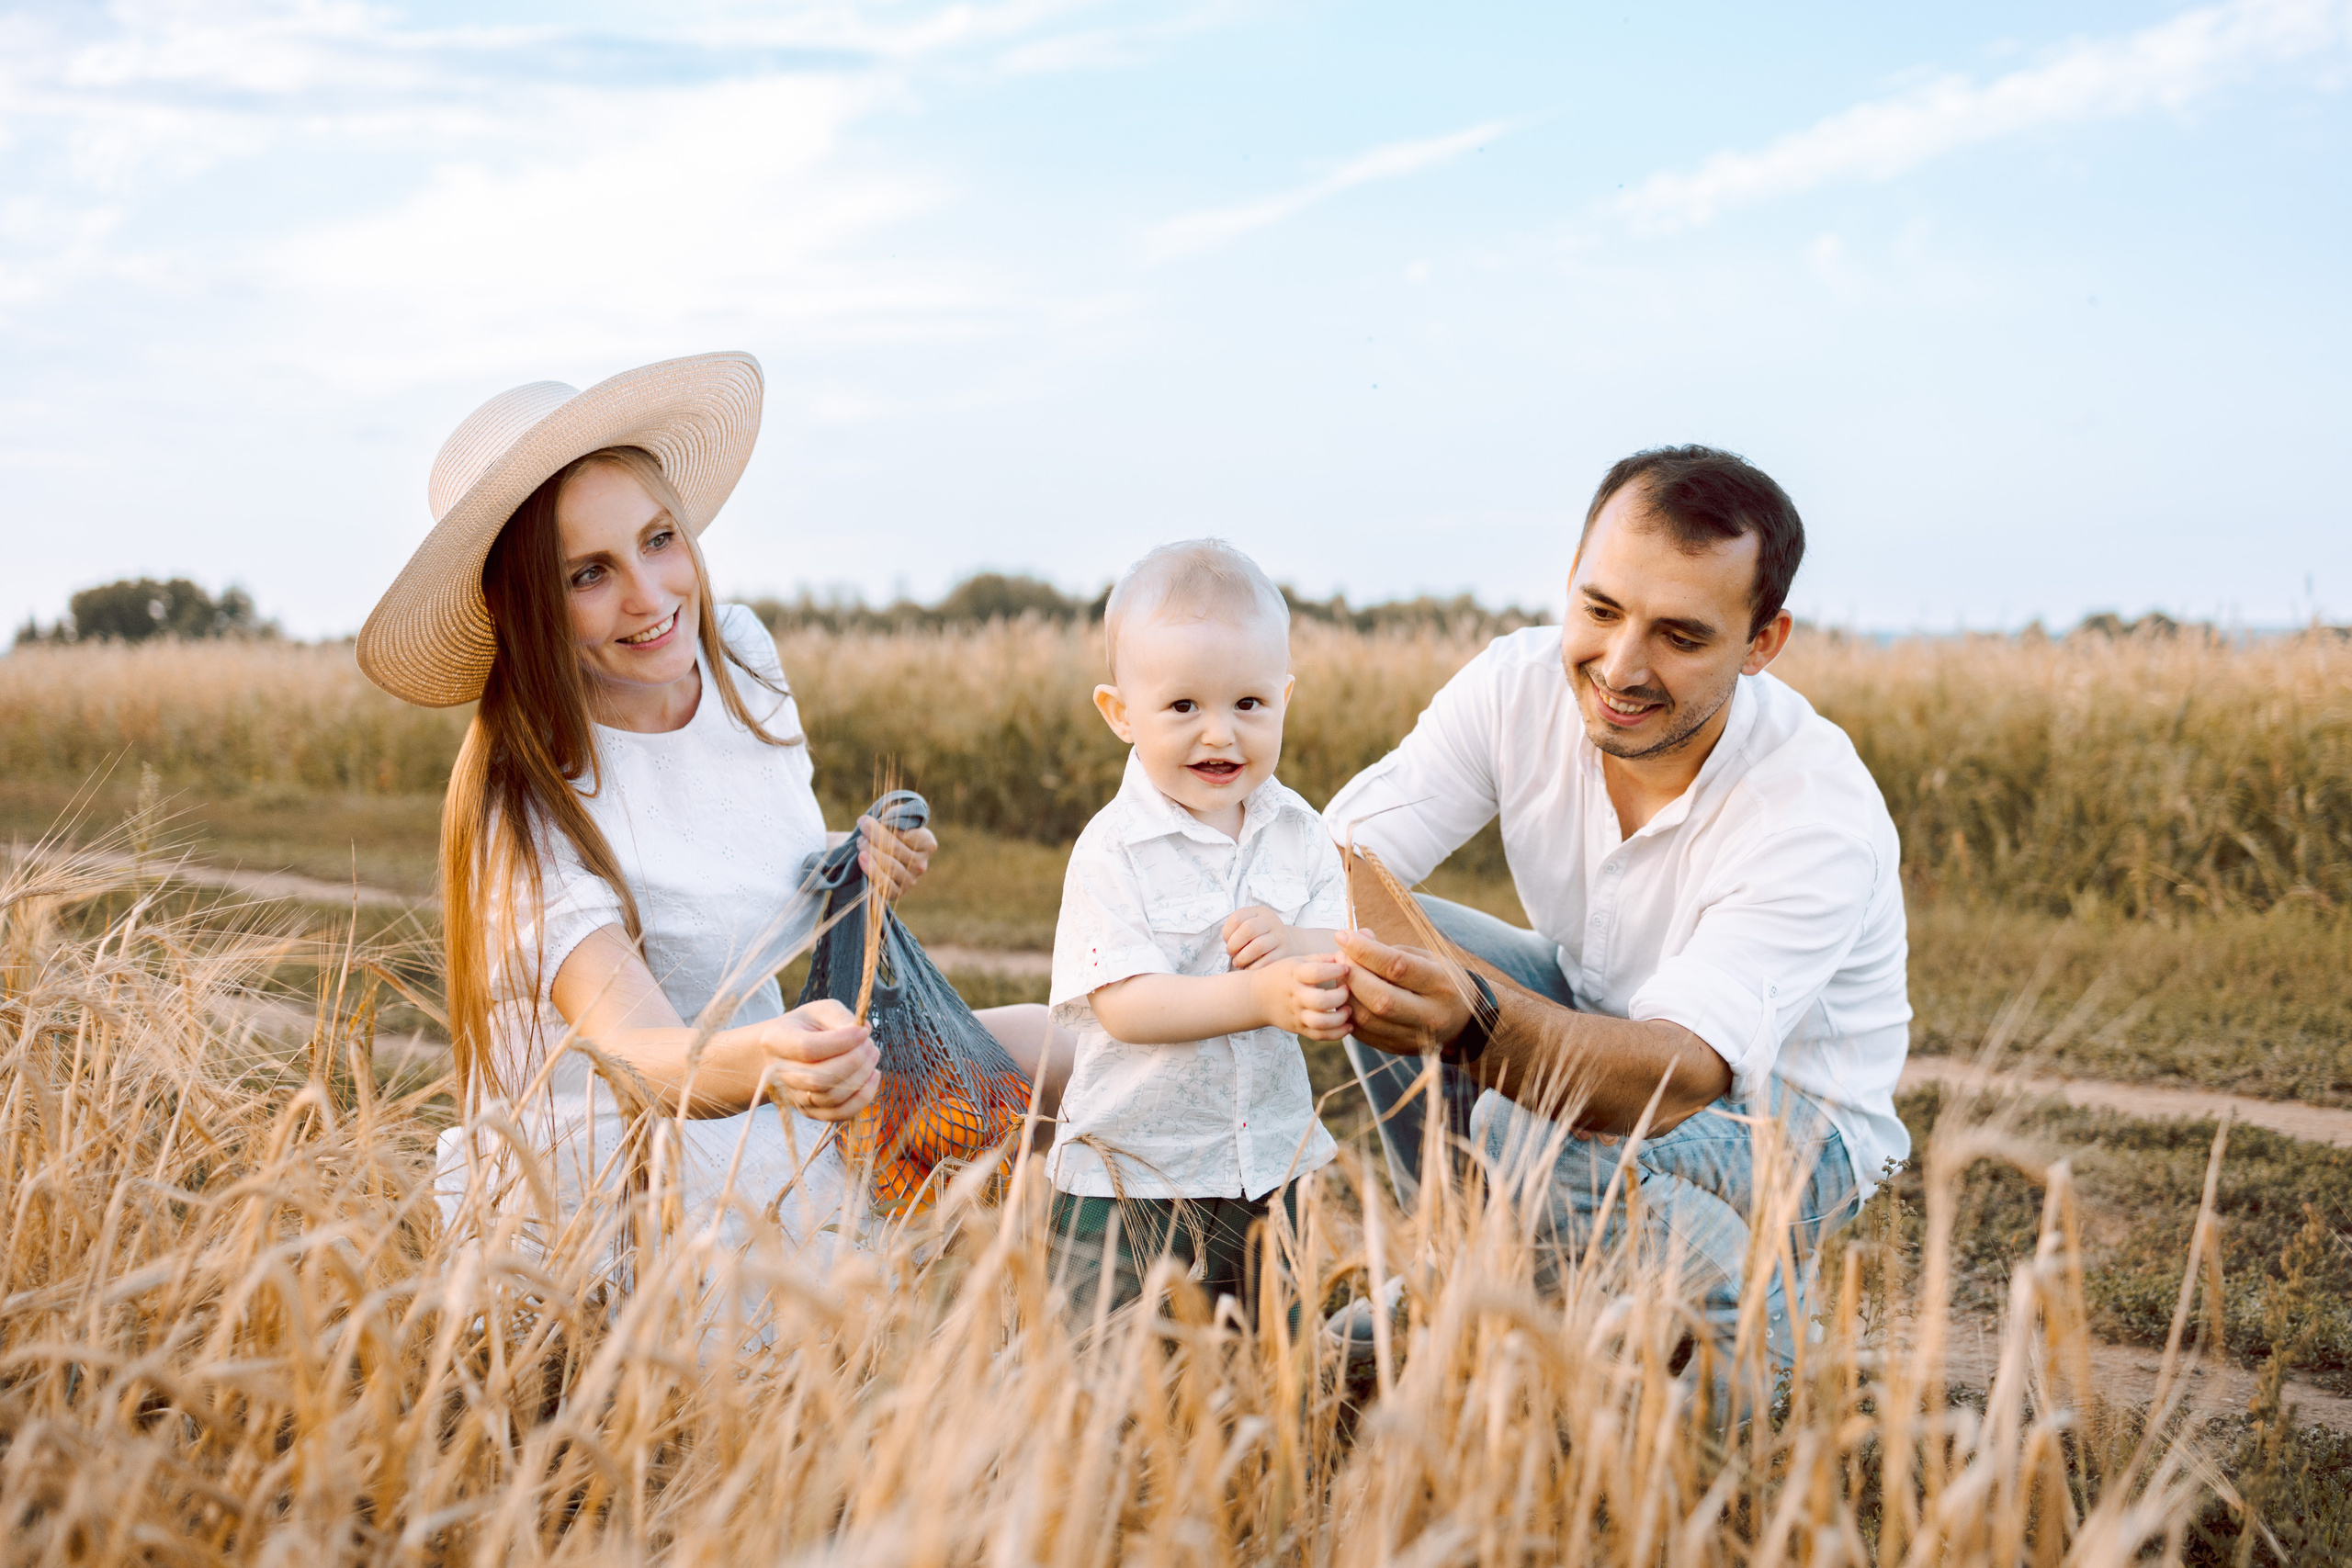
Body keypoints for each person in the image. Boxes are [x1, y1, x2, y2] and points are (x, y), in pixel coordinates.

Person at [356, 352, 1072, 1264]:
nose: (652, 597)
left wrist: (845, 862)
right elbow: (638, 1054)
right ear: (525, 604)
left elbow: (726, 864)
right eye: (588, 575)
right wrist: (775, 1056)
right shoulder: (527, 804)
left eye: (659, 539)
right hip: (624, 1184)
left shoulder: (739, 658)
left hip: (787, 1090)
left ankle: (1158, 1347)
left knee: (1091, 1051)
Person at [1324, 446, 1910, 1368]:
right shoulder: (1516, 686)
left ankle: (1750, 1360)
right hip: (1596, 1017)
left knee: (1532, 1125)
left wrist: (1475, 1023)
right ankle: (1476, 1270)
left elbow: (1674, 1074)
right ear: (1570, 581)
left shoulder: (1811, 810)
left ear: (1762, 643)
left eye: (1680, 636)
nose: (1620, 666)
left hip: (1793, 1129)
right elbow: (1328, 867)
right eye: (1600, 610)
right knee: (1360, 936)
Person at [1044, 540, 1355, 1321]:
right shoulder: (1112, 849)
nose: (1220, 734)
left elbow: (1346, 945)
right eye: (1184, 707)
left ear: (1284, 697)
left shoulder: (1301, 832)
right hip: (1134, 1179)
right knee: (1114, 1375)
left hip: (1268, 1169)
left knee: (1269, 1375)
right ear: (1121, 713)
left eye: (1249, 704)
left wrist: (1298, 945)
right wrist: (1260, 992)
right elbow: (1127, 1005)